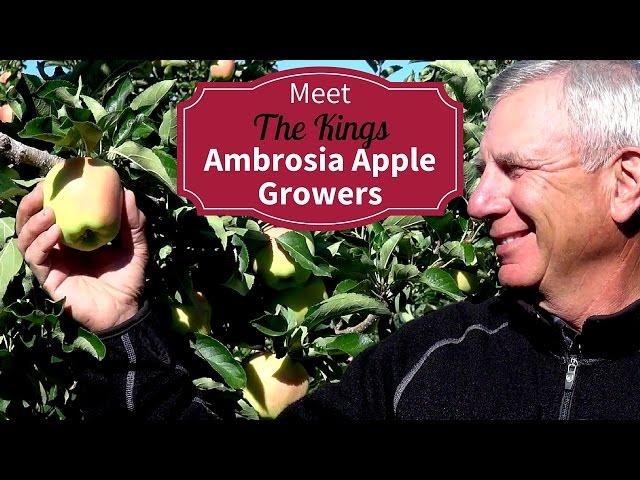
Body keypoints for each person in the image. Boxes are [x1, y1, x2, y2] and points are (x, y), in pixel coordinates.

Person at [16, 60, 640, 421]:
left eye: (516, 170)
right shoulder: (424, 363)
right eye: (482, 172)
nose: (477, 202)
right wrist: (123, 327)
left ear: (625, 183)